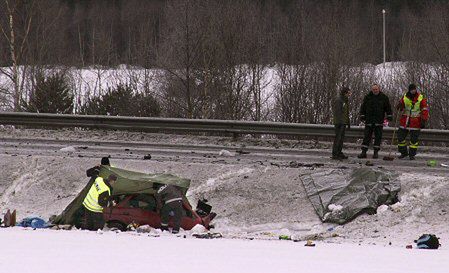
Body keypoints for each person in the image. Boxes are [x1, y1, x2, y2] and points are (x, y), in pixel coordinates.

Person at [357, 84, 393, 159]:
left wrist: (389, 115)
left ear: (379, 89)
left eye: (376, 89)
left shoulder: (384, 97)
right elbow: (363, 107)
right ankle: (364, 152)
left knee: (378, 137)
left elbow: (388, 107)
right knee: (366, 136)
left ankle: (375, 152)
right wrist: (362, 115)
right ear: (371, 90)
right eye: (373, 89)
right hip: (369, 120)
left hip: (379, 120)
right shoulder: (368, 97)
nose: (375, 91)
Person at [396, 84, 429, 160]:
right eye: (412, 89)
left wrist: (423, 120)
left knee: (414, 141)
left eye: (414, 89)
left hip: (416, 121)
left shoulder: (421, 98)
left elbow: (424, 109)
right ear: (409, 90)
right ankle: (403, 153)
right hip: (405, 121)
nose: (413, 90)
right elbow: (400, 107)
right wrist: (399, 106)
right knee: (400, 137)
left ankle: (412, 155)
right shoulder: (405, 97)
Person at [332, 86, 351, 160]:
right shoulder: (339, 100)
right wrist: (340, 122)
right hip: (339, 122)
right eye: (349, 93)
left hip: (343, 122)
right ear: (345, 93)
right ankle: (335, 153)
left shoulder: (345, 101)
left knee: (341, 139)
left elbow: (346, 113)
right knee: (338, 138)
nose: (350, 94)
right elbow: (337, 112)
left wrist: (347, 122)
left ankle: (339, 152)